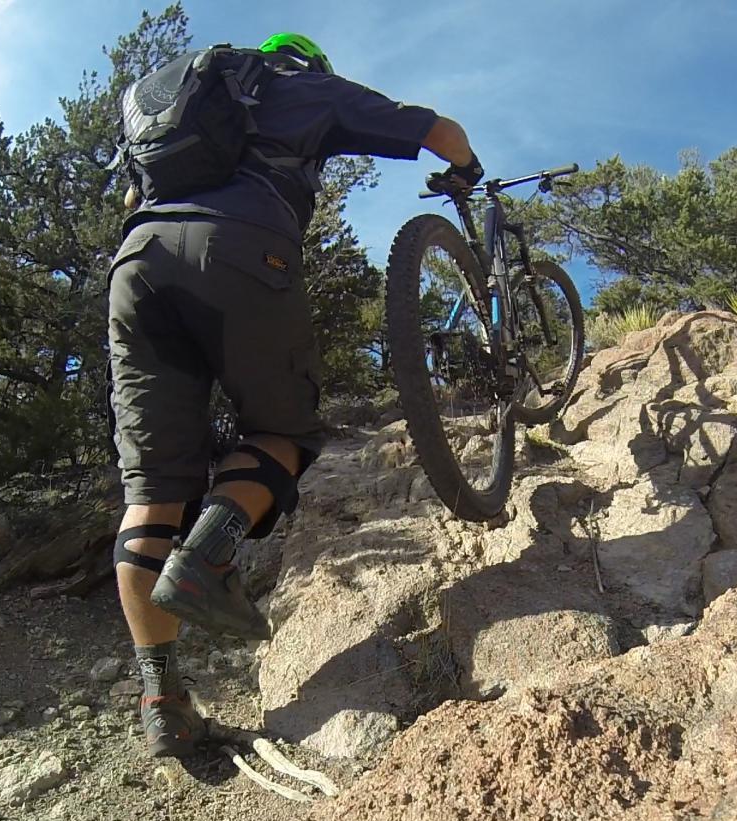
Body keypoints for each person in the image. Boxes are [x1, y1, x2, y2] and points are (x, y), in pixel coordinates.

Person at [106, 32, 483, 757]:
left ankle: (163, 701)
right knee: (284, 433)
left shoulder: (171, 115)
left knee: (152, 489)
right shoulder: (303, 87)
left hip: (136, 266)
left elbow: (133, 194)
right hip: (241, 245)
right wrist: (465, 171)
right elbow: (439, 131)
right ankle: (208, 560)